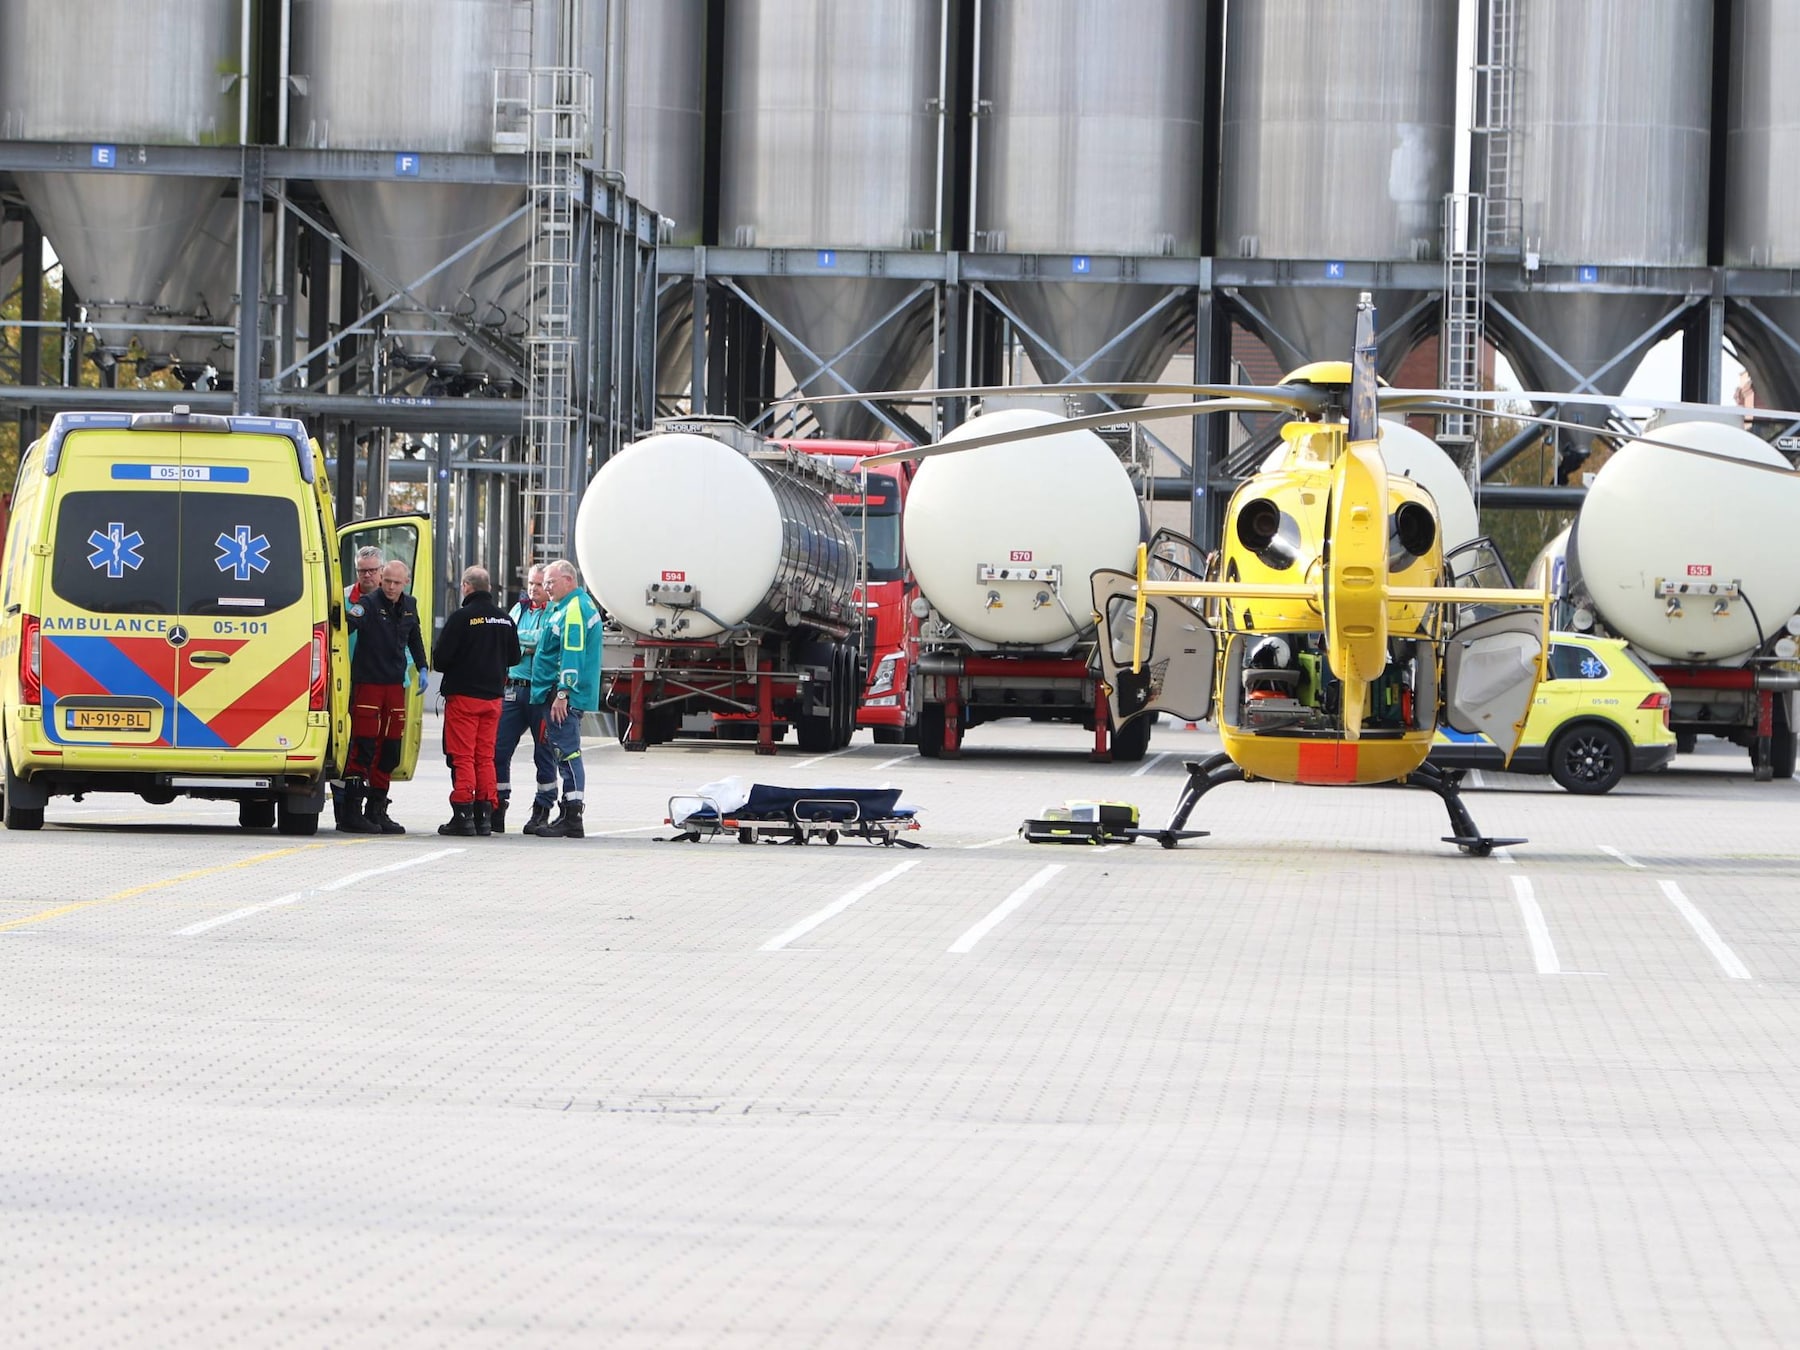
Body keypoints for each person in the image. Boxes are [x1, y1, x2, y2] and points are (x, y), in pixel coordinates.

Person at [431, 565, 521, 837]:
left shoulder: (461, 618)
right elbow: (514, 658)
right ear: (489, 589)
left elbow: (441, 659)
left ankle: (463, 813)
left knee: (463, 756)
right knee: (485, 757)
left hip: (464, 699)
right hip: (493, 699)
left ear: (466, 587)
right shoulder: (505, 619)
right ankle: (485, 815)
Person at [341, 558, 429, 834]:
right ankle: (352, 811)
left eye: (396, 582)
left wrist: (423, 666)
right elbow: (346, 626)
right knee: (364, 745)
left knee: (390, 749)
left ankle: (378, 810)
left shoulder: (409, 606)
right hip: (368, 684)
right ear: (381, 580)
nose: (391, 587)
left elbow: (415, 637)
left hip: (395, 686)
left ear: (406, 583)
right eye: (387, 581)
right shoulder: (367, 604)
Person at [527, 559, 602, 839]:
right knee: (564, 752)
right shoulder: (567, 607)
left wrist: (562, 692)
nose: (546, 587)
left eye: (550, 582)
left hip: (563, 697)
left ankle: (572, 816)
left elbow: (571, 654)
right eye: (544, 582)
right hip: (559, 694)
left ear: (568, 580)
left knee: (567, 753)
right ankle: (569, 813)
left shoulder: (573, 610)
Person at [492, 563, 558, 834]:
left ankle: (542, 809)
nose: (534, 589)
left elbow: (544, 644)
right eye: (531, 583)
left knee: (544, 753)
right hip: (512, 690)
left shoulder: (555, 612)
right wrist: (528, 645)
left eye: (540, 584)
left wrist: (526, 644)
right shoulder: (517, 610)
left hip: (541, 692)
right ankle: (497, 805)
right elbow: (507, 642)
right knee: (498, 750)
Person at [330, 546, 388, 830]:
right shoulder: (342, 599)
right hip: (344, 683)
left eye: (372, 570)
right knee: (347, 744)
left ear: (381, 571)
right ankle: (345, 808)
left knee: (376, 746)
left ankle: (374, 808)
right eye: (362, 570)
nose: (367, 575)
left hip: (377, 683)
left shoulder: (391, 600)